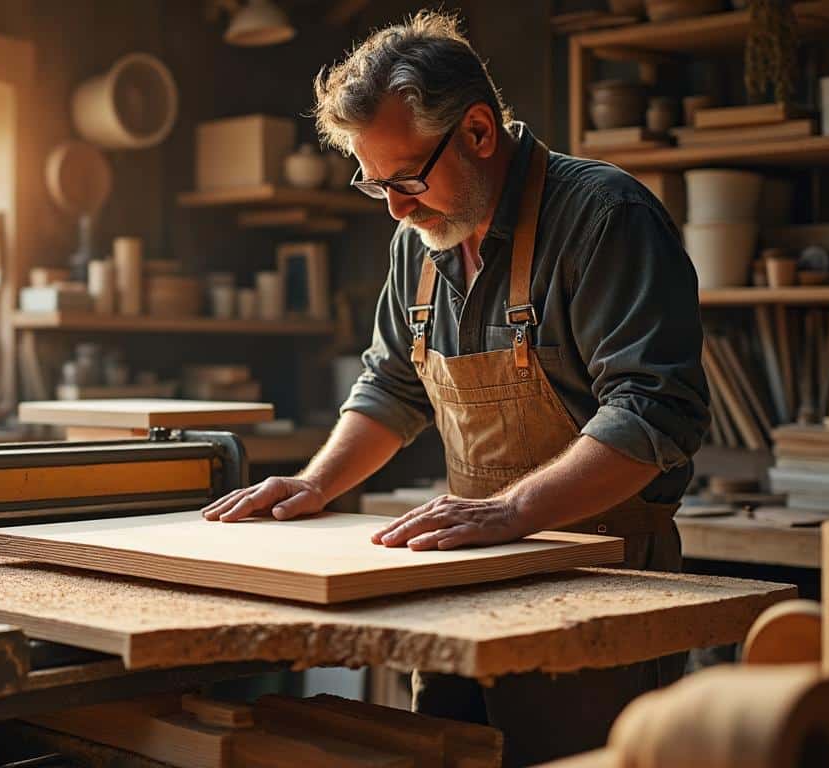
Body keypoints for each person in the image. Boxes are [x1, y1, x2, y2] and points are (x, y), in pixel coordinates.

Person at [198, 10, 710, 766]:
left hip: (602, 579)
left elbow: (653, 413)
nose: (398, 209)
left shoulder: (605, 216)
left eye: (407, 179)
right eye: (379, 187)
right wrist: (316, 483)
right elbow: (392, 386)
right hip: (469, 578)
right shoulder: (423, 239)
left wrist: (513, 510)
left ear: (477, 132)